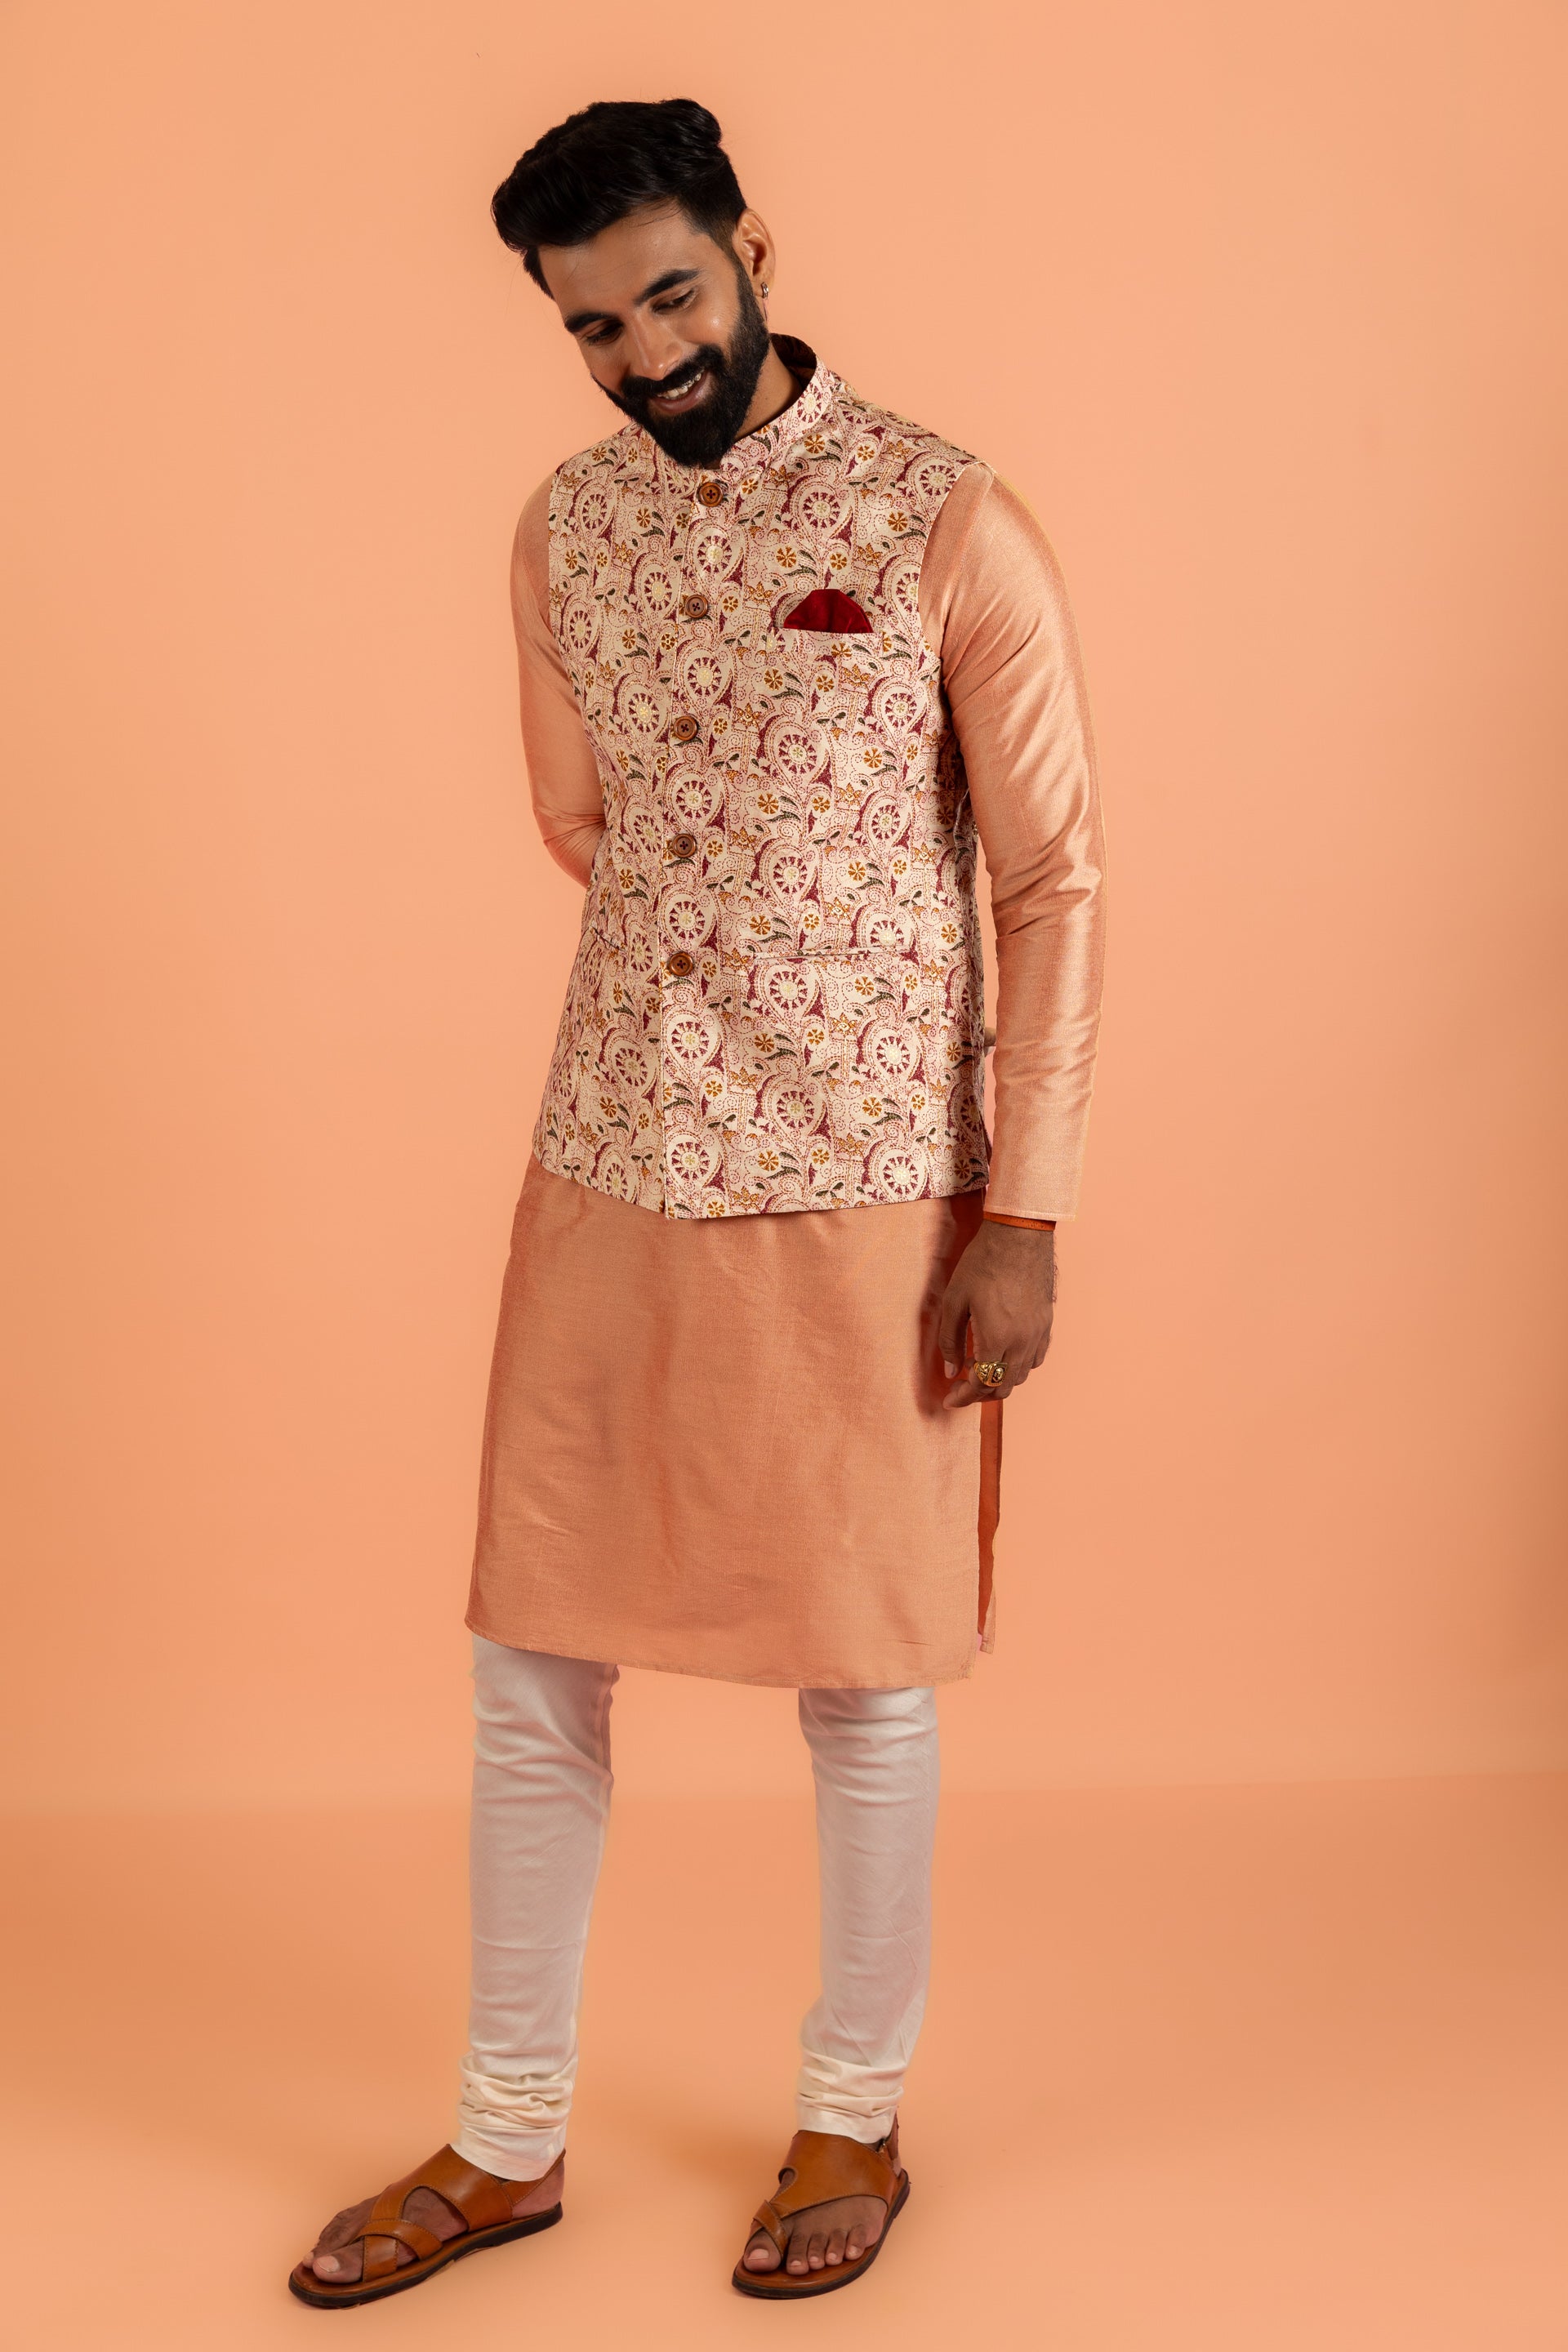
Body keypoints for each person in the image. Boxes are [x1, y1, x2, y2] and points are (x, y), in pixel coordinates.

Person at [291, 95, 1105, 2308]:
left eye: (670, 293)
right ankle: (506, 2138)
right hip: (614, 1156)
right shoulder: (563, 530)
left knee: (867, 1672)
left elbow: (1051, 879)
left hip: (875, 1182)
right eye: (592, 325)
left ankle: (854, 2110)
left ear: (750, 245)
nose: (646, 353)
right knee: (531, 1659)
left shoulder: (944, 517)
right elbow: (585, 822)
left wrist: (1025, 1207)